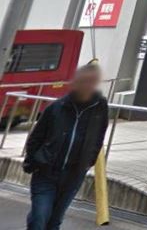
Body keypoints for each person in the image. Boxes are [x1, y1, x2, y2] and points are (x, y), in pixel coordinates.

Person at [24, 62, 109, 230]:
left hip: (73, 175)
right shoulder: (57, 107)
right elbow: (36, 137)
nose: (87, 86)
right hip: (46, 172)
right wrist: (34, 160)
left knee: (54, 221)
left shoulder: (100, 108)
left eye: (92, 82)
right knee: (39, 218)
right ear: (76, 82)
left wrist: (88, 162)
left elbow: (98, 138)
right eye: (84, 81)